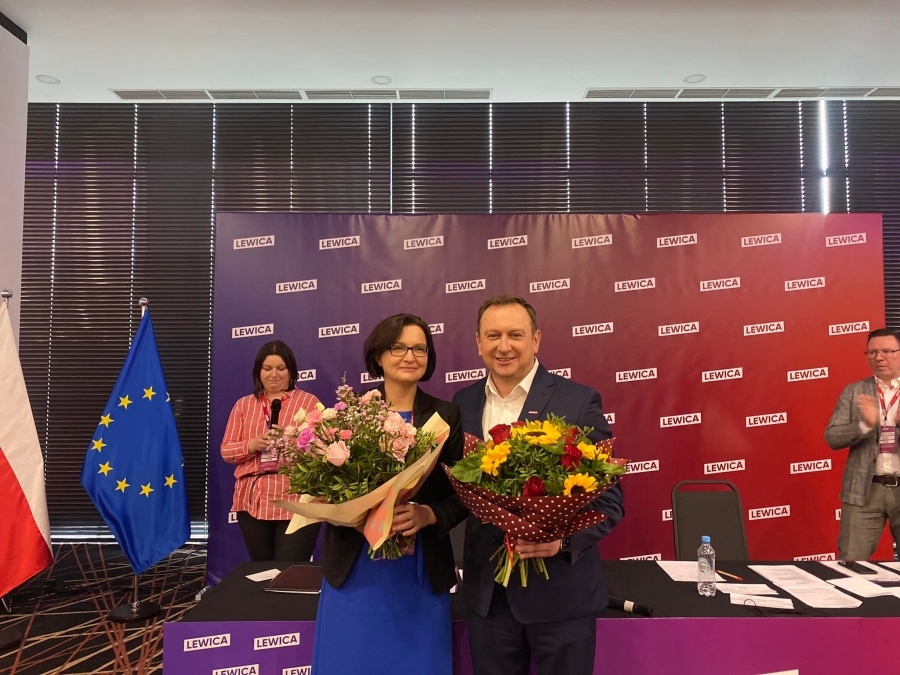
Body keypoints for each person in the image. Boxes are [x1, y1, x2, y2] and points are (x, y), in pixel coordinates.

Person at [452, 294, 625, 675]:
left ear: (536, 339)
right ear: (478, 342)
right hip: (489, 601)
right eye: (493, 335)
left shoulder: (578, 400)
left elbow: (610, 501)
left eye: (515, 334)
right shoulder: (461, 403)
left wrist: (563, 542)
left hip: (562, 597)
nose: (504, 346)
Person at [312, 313, 466, 675]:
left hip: (419, 570)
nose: (409, 356)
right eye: (398, 347)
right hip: (356, 567)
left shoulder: (446, 415)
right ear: (379, 355)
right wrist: (351, 513)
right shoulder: (347, 415)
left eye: (419, 349)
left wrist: (428, 514)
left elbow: (464, 494)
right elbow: (321, 489)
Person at [220, 340, 321, 562]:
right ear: (259, 371)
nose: (274, 374)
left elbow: (322, 450)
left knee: (289, 571)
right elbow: (226, 451)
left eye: (281, 368)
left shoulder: (308, 402)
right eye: (267, 368)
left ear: (291, 371)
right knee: (262, 570)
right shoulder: (243, 405)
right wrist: (252, 445)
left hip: (296, 498)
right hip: (253, 500)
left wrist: (292, 442)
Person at [826, 328, 900, 560]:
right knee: (851, 561)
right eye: (872, 352)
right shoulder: (854, 391)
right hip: (863, 491)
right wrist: (864, 425)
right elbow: (833, 437)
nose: (879, 358)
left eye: (887, 351)